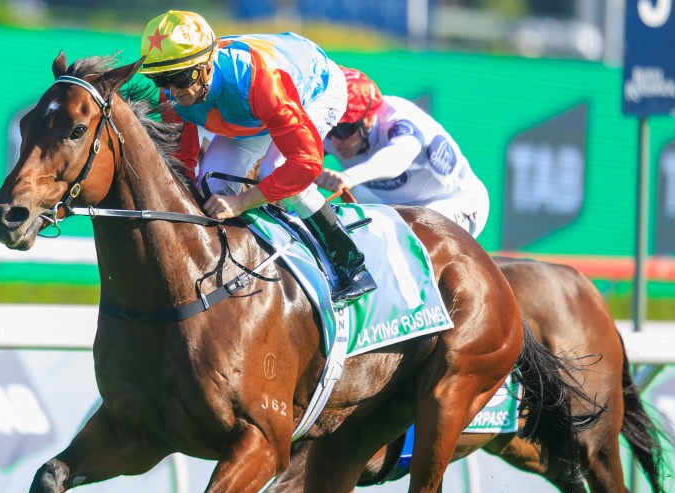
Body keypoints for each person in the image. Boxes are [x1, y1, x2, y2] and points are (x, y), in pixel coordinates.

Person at [139, 10, 376, 305]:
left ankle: (351, 264)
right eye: (160, 79)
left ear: (206, 66)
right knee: (212, 185)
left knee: (274, 169)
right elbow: (183, 162)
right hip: (250, 111)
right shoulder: (174, 96)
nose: (172, 90)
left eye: (178, 77)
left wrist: (242, 202)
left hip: (311, 91)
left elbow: (305, 164)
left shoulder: (261, 81)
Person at [317, 67, 490, 240]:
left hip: (459, 201)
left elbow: (396, 159)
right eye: (330, 129)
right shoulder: (334, 134)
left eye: (343, 130)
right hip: (400, 208)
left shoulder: (399, 117)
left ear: (368, 118)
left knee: (412, 233)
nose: (334, 141)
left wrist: (348, 177)